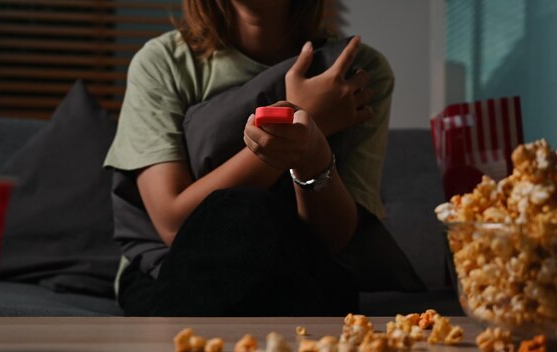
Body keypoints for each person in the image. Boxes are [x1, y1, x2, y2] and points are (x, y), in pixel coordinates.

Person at [104, 0, 394, 316]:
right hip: (168, 269)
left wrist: (312, 152)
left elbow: (333, 240)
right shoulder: (162, 63)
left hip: (302, 269)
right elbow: (173, 225)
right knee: (245, 213)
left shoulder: (357, 73)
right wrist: (304, 125)